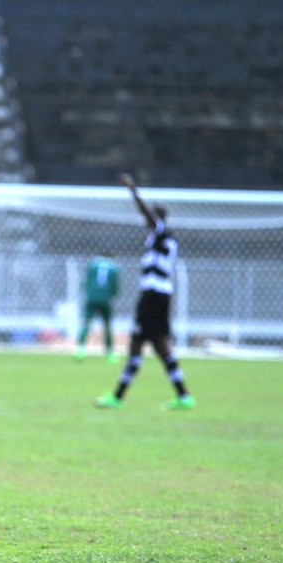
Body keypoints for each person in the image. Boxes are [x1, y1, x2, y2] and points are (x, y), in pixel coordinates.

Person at [96, 173, 194, 410]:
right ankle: (184, 396)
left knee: (137, 345)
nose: (146, 219)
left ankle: (118, 397)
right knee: (161, 347)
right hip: (161, 295)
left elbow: (148, 214)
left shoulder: (162, 233)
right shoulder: (162, 240)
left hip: (152, 296)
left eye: (151, 216)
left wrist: (133, 190)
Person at [74, 252, 121, 363]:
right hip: (106, 299)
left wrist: (88, 292)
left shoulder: (93, 263)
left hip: (92, 297)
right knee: (107, 326)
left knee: (86, 323)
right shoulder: (114, 267)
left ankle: (80, 349)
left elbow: (87, 281)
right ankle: (110, 353)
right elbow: (115, 287)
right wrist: (113, 296)